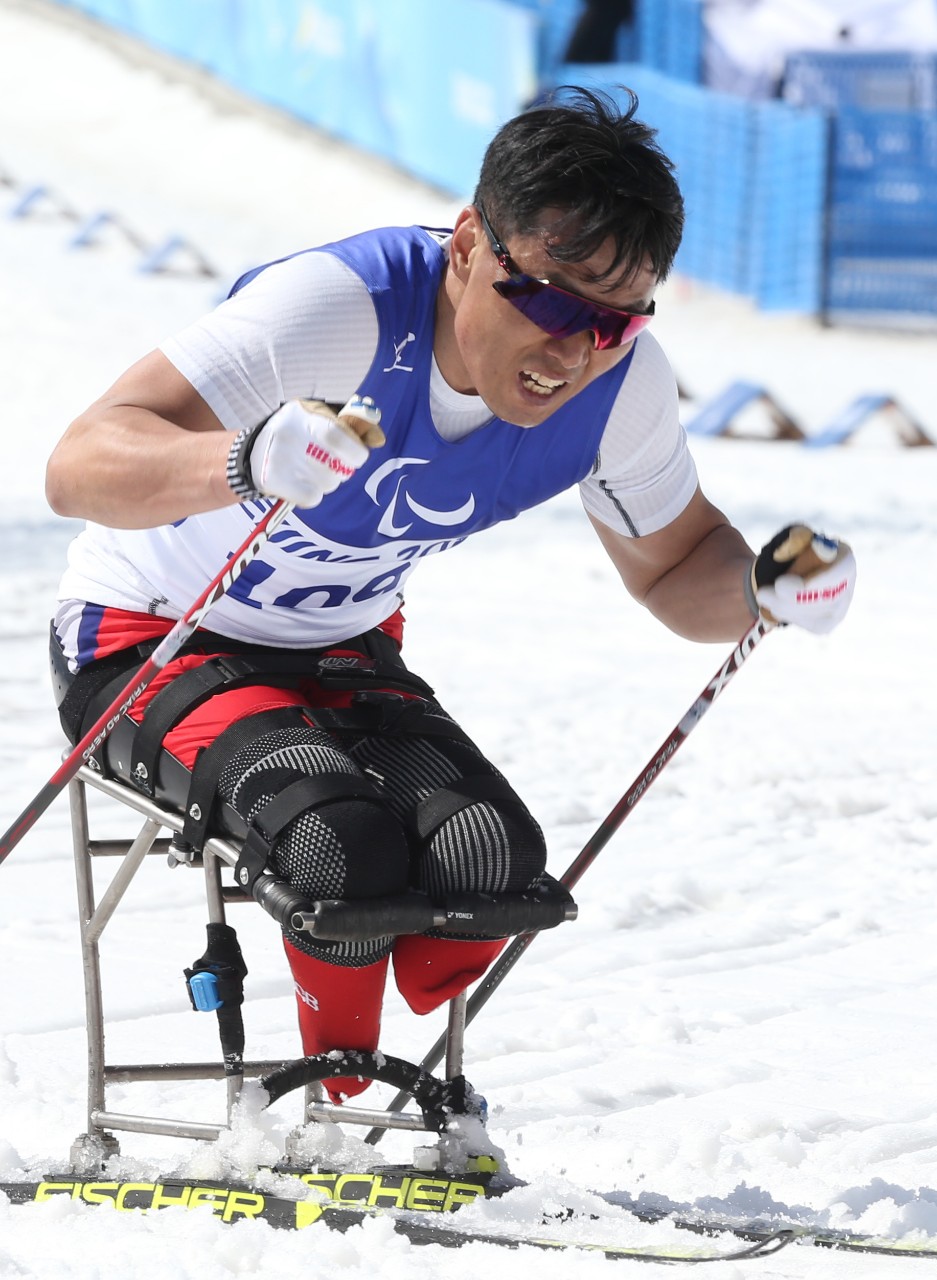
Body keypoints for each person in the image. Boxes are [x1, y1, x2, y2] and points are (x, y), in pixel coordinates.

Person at [45, 87, 855, 1103]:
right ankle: (314, 1110)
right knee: (340, 844)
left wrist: (766, 590)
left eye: (613, 323)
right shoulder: (338, 308)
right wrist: (244, 459)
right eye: (552, 301)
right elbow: (79, 462)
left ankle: (390, 1098)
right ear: (469, 243)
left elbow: (675, 569)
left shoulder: (618, 385)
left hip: (341, 650)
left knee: (491, 858)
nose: (572, 350)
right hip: (149, 635)